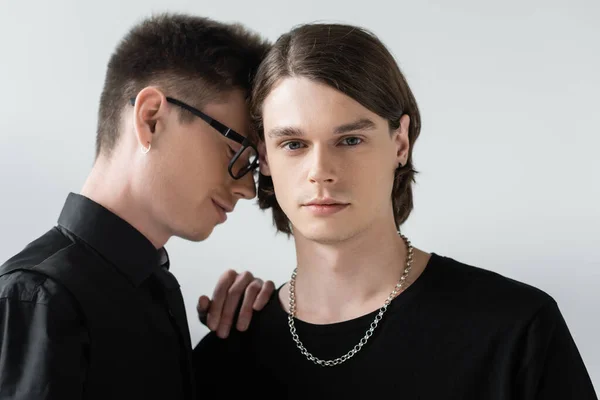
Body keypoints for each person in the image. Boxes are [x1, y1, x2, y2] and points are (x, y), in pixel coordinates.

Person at [192, 22, 598, 399]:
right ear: (264, 156)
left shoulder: (517, 329)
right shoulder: (224, 356)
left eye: (350, 140)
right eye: (293, 144)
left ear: (400, 142)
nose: (320, 173)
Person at [0, 13, 275, 400]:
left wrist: (236, 345)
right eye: (235, 152)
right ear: (150, 119)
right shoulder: (39, 297)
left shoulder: (157, 289)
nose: (247, 188)